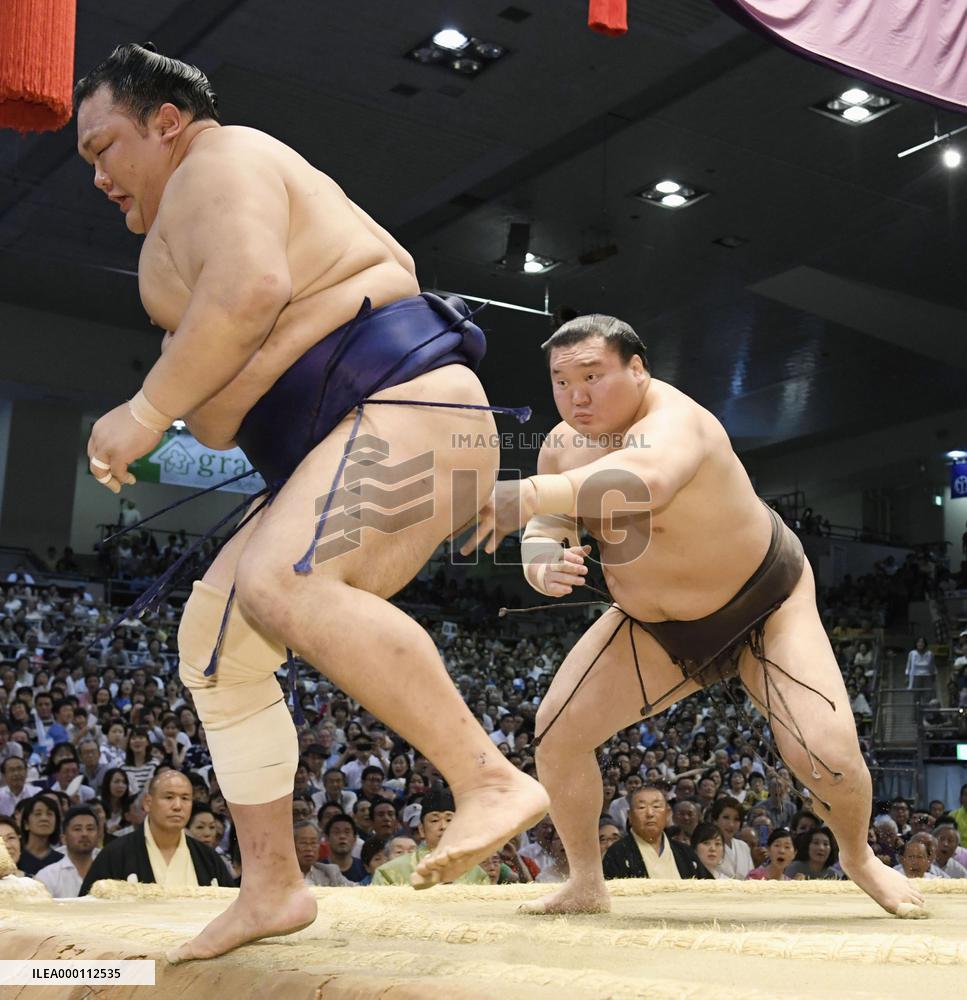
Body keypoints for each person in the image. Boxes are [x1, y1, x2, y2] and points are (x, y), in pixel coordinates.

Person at [73, 42, 546, 961]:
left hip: (408, 411)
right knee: (213, 650)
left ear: (166, 123)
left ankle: (487, 778)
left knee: (282, 581)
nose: (97, 174)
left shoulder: (222, 158)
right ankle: (271, 887)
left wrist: (145, 407)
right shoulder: (194, 225)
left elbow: (251, 297)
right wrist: (215, 376)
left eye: (105, 147)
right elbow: (222, 408)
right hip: (361, 436)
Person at [466, 314, 923, 917]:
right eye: (560, 381)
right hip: (653, 627)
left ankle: (860, 857)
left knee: (826, 754)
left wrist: (524, 495)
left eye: (592, 376)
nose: (576, 396)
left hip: (764, 604)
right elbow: (550, 526)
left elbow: (643, 481)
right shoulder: (559, 446)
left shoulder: (679, 422)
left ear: (637, 369)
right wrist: (541, 559)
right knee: (556, 736)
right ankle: (584, 882)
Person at [79, 770, 235, 894]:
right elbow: (90, 912)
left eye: (185, 798)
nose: (178, 806)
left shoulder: (208, 858)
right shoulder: (115, 855)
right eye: (169, 797)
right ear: (148, 803)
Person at [371, 788, 489, 886]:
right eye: (434, 820)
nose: (443, 826)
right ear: (422, 830)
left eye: (449, 819)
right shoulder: (390, 872)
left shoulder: (477, 875)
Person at [600, 786, 710, 881]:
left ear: (667, 814)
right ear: (630, 815)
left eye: (656, 807)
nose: (650, 813)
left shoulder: (685, 852)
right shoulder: (616, 853)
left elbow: (707, 889)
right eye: (642, 807)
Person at [34, 806, 100, 898]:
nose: (85, 834)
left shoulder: (109, 872)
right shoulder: (47, 876)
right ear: (64, 838)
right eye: (77, 829)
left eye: (90, 829)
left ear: (98, 836)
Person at [294, 820, 353, 887]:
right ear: (291, 846)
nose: (309, 848)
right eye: (304, 843)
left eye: (313, 843)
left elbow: (357, 890)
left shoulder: (330, 872)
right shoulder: (281, 875)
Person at [18, 794, 62, 875]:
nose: (44, 818)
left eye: (49, 814)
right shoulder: (15, 858)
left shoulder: (62, 861)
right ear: (26, 824)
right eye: (38, 814)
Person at [711, 797, 753, 880]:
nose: (731, 824)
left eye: (736, 819)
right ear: (715, 820)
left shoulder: (743, 846)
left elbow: (750, 877)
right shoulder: (708, 846)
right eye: (726, 817)